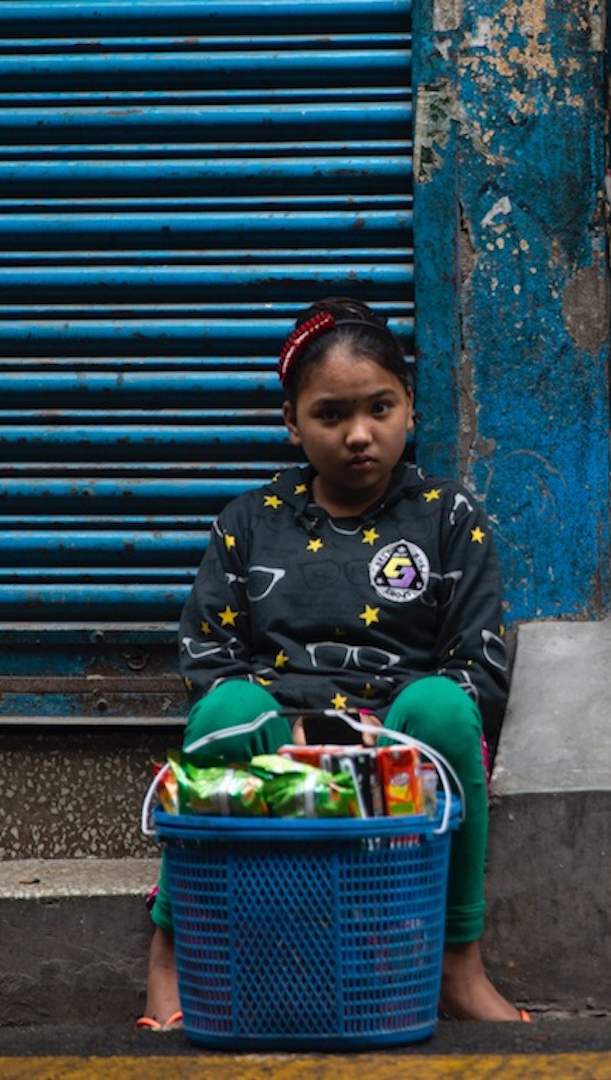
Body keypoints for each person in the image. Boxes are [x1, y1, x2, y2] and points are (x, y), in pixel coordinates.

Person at [139, 296, 526, 1029]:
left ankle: (457, 964)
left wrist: (378, 737)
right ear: (292, 422)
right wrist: (293, 733)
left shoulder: (448, 517)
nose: (359, 434)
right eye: (330, 414)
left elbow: (480, 664)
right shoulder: (249, 522)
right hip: (279, 742)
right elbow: (207, 656)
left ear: (410, 407)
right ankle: (172, 954)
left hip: (399, 749)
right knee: (223, 710)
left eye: (380, 408)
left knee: (447, 707)